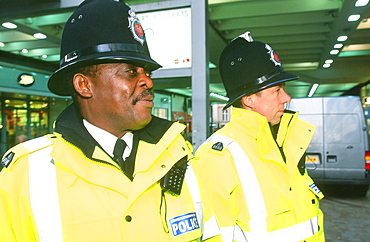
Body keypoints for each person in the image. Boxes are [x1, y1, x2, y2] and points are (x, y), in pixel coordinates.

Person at [0, 0, 219, 241]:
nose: (148, 81)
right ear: (84, 85)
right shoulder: (26, 174)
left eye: (148, 72)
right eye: (131, 71)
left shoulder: (179, 156)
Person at [193, 31, 325, 241]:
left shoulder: (285, 142)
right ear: (249, 100)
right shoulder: (219, 156)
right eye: (277, 90)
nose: (287, 98)